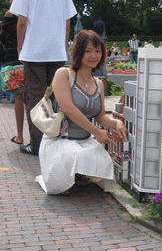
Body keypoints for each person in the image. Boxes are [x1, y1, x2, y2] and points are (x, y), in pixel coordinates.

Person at [35, 30, 128, 195]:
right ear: (78, 53)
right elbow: (69, 109)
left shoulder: (98, 83)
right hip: (61, 140)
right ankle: (64, 177)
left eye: (98, 51)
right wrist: (97, 132)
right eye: (88, 51)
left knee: (104, 160)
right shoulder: (63, 74)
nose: (94, 55)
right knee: (74, 154)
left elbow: (99, 116)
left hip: (85, 139)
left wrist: (116, 122)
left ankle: (77, 173)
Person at [10, 0, 77, 155]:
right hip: (56, 53)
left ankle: (37, 144)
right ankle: (55, 140)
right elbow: (67, 24)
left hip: (34, 53)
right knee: (56, 98)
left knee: (36, 98)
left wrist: (20, 47)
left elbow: (22, 22)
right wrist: (60, 46)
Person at [0, 0, 28, 144]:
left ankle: (20, 136)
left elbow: (3, 37)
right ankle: (35, 136)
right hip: (30, 55)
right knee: (31, 97)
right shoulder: (30, 11)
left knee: (18, 97)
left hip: (13, 55)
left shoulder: (10, 14)